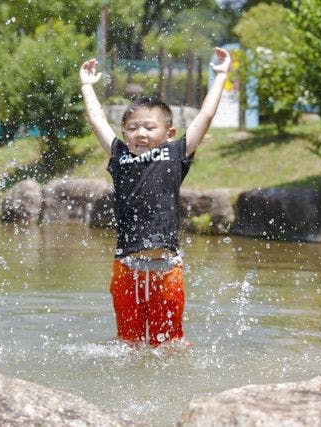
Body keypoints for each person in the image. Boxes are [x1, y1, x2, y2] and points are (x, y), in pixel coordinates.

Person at [79, 48, 231, 347]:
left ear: (169, 132)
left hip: (166, 268)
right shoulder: (120, 156)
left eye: (150, 127)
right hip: (126, 267)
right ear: (124, 134)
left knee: (170, 344)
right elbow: (97, 121)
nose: (140, 133)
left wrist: (221, 77)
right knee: (128, 344)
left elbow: (205, 116)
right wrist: (87, 86)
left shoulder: (175, 154)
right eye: (133, 128)